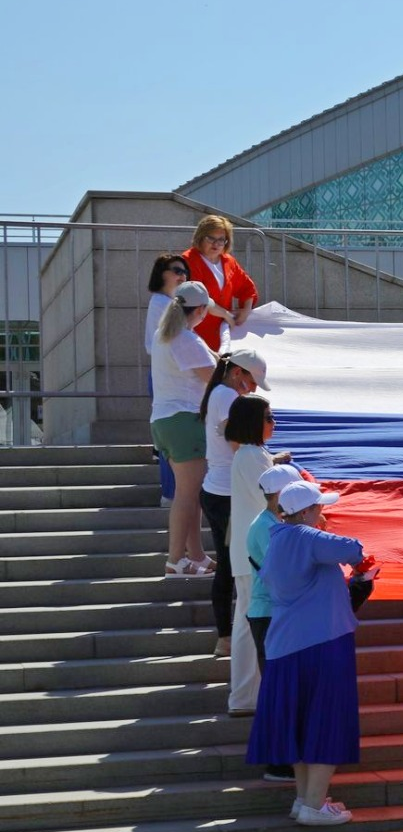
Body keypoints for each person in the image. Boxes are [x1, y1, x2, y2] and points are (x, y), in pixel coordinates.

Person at [246, 480, 365, 826]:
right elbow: (354, 549)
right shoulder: (307, 537)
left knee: (298, 724)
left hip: (285, 646)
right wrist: (320, 532)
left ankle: (305, 799)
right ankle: (314, 805)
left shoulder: (278, 539)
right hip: (322, 643)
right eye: (320, 508)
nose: (324, 513)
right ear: (309, 511)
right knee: (326, 719)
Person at [198, 349, 271, 666]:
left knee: (229, 565)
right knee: (231, 566)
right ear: (238, 372)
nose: (252, 389)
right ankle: (226, 637)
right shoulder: (227, 396)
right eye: (252, 381)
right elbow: (237, 441)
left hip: (219, 489)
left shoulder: (218, 392)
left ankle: (225, 637)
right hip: (227, 494)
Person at [225, 391, 289, 717]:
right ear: (254, 422)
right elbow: (271, 495)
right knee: (251, 627)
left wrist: (275, 461)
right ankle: (245, 697)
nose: (273, 423)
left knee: (247, 625)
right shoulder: (251, 456)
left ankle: (245, 696)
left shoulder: (252, 454)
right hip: (256, 554)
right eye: (268, 417)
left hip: (249, 553)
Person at [243, 462, 305, 785]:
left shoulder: (270, 523)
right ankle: (278, 762)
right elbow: (283, 571)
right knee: (278, 688)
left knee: (280, 687)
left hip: (271, 613)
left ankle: (283, 758)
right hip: (269, 614)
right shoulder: (267, 528)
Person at [149, 282, 217, 576]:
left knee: (187, 493)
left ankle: (196, 557)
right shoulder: (186, 339)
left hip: (164, 422)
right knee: (188, 496)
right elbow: (214, 380)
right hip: (185, 421)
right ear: (200, 310)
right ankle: (176, 559)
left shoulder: (163, 336)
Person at [143, 254, 195, 506]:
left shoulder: (171, 303)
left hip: (173, 376)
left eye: (184, 271)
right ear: (161, 273)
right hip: (166, 376)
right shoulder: (161, 302)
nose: (181, 275)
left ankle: (174, 493)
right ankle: (170, 493)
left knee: (174, 439)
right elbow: (165, 343)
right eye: (175, 270)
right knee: (170, 439)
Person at [183, 214, 258, 352]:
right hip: (196, 332)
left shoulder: (228, 261)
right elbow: (198, 298)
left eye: (221, 240)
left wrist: (246, 310)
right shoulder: (189, 260)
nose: (216, 244)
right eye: (211, 238)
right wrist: (226, 315)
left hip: (222, 334)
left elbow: (247, 288)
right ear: (200, 237)